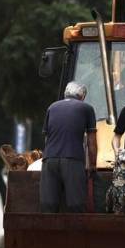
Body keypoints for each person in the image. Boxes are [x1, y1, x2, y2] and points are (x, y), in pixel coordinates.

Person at [40, 82, 97, 213]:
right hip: (73, 159)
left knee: (48, 205)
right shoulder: (86, 108)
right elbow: (91, 140)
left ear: (65, 94)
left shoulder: (52, 107)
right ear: (82, 96)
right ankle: (76, 233)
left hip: (49, 159)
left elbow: (47, 138)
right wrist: (92, 165)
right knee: (75, 205)